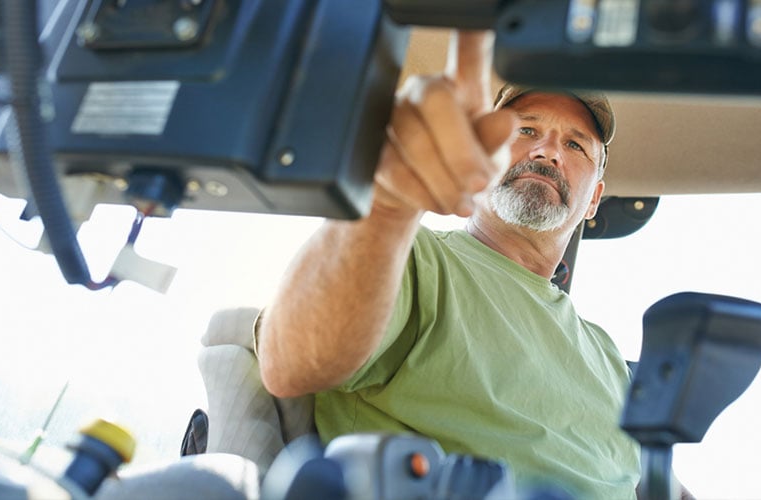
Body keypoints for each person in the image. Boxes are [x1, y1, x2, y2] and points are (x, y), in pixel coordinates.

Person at [256, 31, 642, 497]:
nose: (548, 152)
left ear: (594, 200)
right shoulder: (411, 257)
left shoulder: (609, 360)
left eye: (576, 145)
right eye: (526, 130)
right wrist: (388, 201)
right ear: (483, 153)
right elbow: (290, 363)